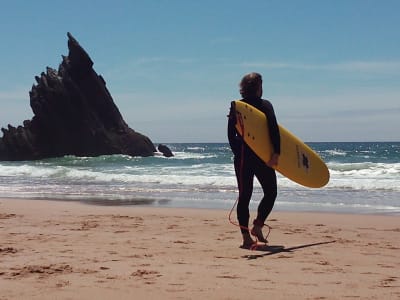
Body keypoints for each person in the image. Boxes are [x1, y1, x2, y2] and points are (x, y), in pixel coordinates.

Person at [227, 72, 281, 248]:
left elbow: (230, 134)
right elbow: (273, 129)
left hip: (243, 158)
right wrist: (276, 153)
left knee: (245, 196)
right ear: (259, 87)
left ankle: (249, 234)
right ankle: (255, 228)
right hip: (261, 157)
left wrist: (238, 151)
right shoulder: (265, 105)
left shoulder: (237, 106)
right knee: (270, 192)